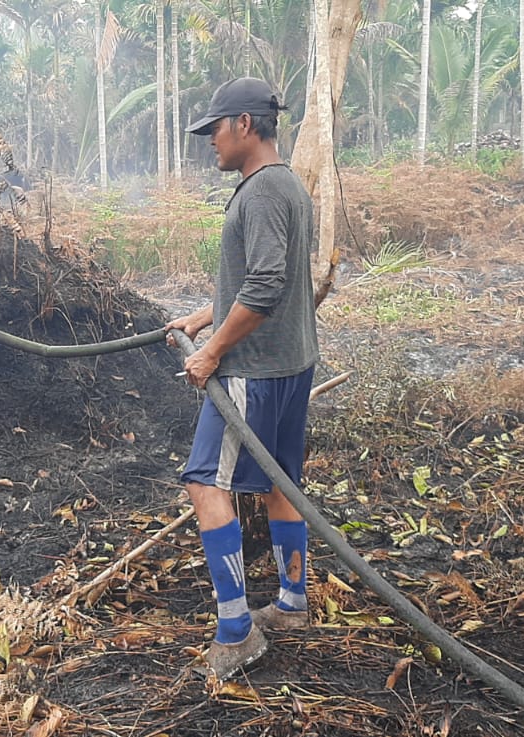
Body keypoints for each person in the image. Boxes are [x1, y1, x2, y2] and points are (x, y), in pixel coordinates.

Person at [166, 78, 319, 678]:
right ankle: (291, 602)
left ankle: (236, 631)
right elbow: (260, 279)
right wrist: (204, 317)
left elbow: (265, 285)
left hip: (251, 371)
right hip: (291, 365)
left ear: (244, 126)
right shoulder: (287, 186)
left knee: (205, 482)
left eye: (214, 131)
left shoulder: (258, 193)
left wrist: (211, 354)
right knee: (281, 484)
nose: (210, 143)